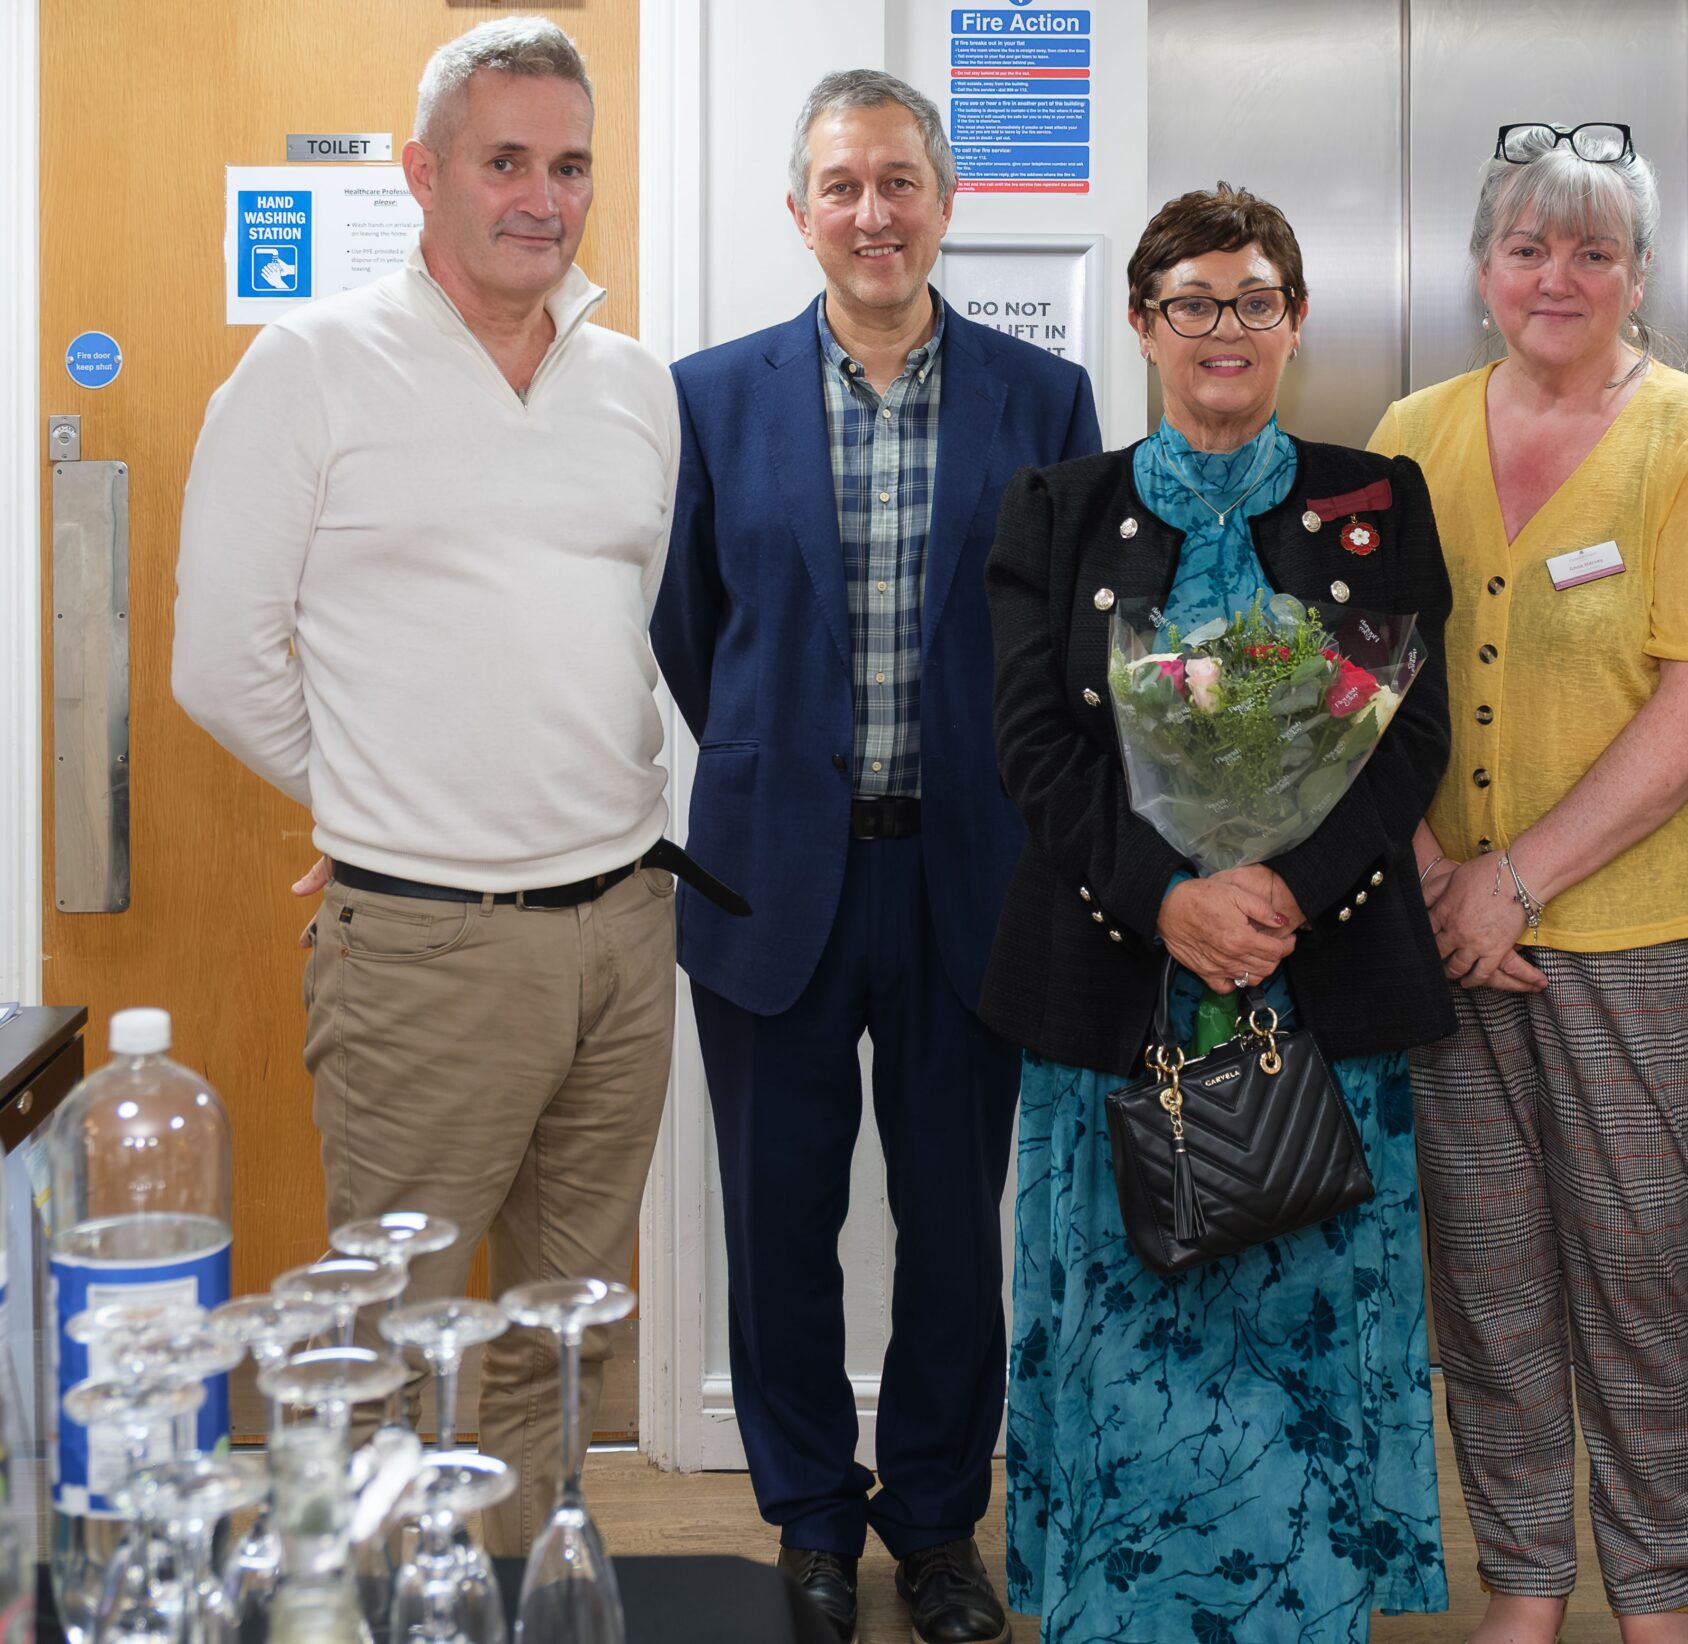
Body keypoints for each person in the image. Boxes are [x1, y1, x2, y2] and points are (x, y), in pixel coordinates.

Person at [171, 17, 676, 1555]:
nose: (543, 196)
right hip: (428, 949)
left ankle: (512, 1595)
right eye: (505, 160)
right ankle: (371, 1605)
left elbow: (633, 637)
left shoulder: (634, 386)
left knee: (561, 1337)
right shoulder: (311, 368)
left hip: (624, 930)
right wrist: (381, 800)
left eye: (570, 165)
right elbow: (219, 661)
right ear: (422, 174)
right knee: (386, 1343)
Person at [650, 68, 1097, 1644]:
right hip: (772, 876)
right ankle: (812, 1524)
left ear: (946, 204)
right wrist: (780, 758)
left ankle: (937, 1525)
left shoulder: (1044, 402)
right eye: (842, 185)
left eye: (900, 181)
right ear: (800, 213)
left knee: (954, 1229)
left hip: (971, 878)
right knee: (777, 1224)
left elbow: (1067, 646)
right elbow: (691, 629)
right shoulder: (709, 398)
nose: (873, 212)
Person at [983, 183, 1453, 1643]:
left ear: (1295, 321)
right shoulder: (1057, 510)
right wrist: (1171, 901)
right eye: (1193, 303)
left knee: (1310, 1330)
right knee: (1123, 1326)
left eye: (1254, 300)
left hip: (1319, 990)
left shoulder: (1377, 500)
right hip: (1115, 990)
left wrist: (1285, 896)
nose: (1224, 329)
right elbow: (1033, 749)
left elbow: (1413, 742)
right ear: (1144, 325)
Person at [1369, 124, 1688, 1641]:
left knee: (1643, 1264)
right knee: (1485, 1270)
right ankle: (1528, 1584)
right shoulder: (1411, 432)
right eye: (1528, 248)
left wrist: (1515, 883)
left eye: (1593, 251)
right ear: (1483, 272)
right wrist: (1435, 878)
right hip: (1442, 930)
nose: (1558, 277)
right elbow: (1366, 672)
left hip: (1641, 931)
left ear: (1641, 276)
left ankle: (1659, 1591)